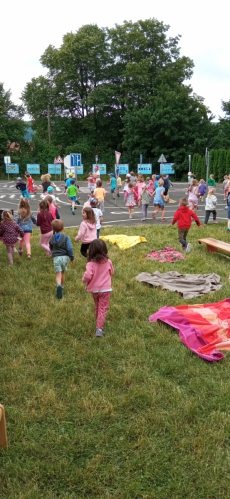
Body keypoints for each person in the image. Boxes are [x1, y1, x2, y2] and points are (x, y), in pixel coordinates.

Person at [82, 239, 114, 337]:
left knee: (97, 305)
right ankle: (99, 329)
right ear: (104, 250)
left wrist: (84, 280)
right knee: (103, 308)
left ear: (91, 251)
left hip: (94, 290)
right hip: (105, 290)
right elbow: (112, 272)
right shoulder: (108, 262)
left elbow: (87, 275)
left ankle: (98, 321)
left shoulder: (90, 264)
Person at [49, 219, 74, 299]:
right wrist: (71, 257)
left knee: (58, 274)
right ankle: (62, 287)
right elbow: (69, 248)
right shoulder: (66, 237)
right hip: (65, 257)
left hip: (56, 258)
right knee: (63, 272)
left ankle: (58, 285)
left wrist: (52, 253)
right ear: (63, 228)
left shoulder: (52, 238)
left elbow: (51, 247)